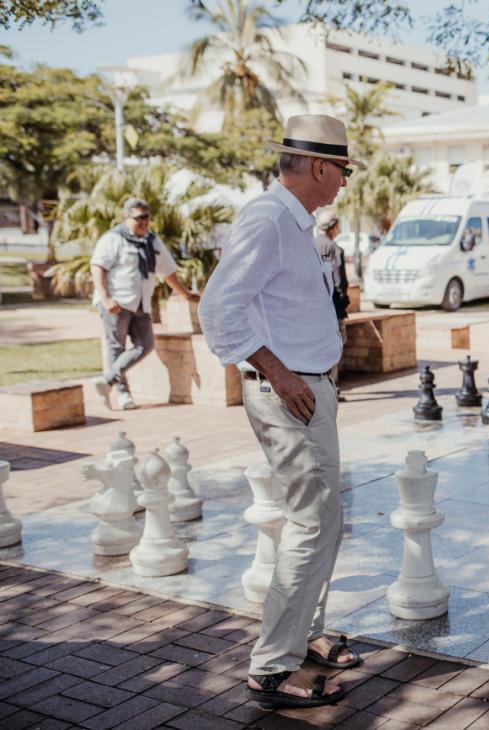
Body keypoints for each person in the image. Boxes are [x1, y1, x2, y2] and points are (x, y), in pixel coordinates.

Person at [198, 115, 363, 709]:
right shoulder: (268, 220)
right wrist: (282, 372)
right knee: (311, 522)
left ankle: (305, 636)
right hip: (287, 393)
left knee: (326, 519)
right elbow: (218, 310)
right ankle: (272, 667)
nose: (345, 180)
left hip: (307, 391)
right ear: (320, 167)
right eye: (342, 169)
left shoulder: (295, 224)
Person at [90, 198, 199, 410]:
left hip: (141, 305)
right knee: (116, 348)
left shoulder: (152, 241)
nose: (144, 222)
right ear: (126, 217)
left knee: (145, 344)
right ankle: (122, 394)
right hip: (117, 303)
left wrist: (185, 294)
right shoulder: (114, 239)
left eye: (146, 217)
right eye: (139, 218)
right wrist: (106, 298)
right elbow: (98, 267)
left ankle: (107, 380)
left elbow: (167, 271)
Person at [314, 209, 350, 399]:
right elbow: (339, 281)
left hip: (315, 307)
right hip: (333, 307)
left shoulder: (311, 245)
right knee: (336, 346)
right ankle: (332, 388)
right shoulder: (333, 248)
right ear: (334, 227)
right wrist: (343, 301)